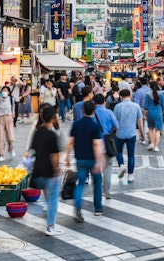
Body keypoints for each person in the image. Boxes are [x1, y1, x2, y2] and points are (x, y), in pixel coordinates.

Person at [65, 101, 104, 222]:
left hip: (80, 159)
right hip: (92, 159)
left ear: (82, 111)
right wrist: (98, 161)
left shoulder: (76, 124)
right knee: (97, 183)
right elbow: (96, 145)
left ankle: (77, 207)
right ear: (93, 111)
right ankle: (98, 208)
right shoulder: (95, 126)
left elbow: (70, 141)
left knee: (80, 184)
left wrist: (66, 156)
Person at [29, 105, 63, 236]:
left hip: (38, 170)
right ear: (54, 117)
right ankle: (51, 226)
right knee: (53, 198)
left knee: (48, 197)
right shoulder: (52, 135)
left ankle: (49, 219)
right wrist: (56, 170)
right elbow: (54, 155)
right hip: (49, 171)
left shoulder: (37, 132)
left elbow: (35, 150)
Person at [113, 89, 144, 184]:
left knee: (118, 151)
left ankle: (121, 165)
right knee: (131, 155)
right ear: (130, 96)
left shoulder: (117, 107)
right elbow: (140, 121)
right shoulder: (136, 106)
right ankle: (130, 175)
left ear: (121, 96)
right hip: (131, 133)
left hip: (120, 133)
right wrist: (142, 134)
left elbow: (115, 121)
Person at [93, 93, 119, 199]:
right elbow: (116, 126)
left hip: (94, 144)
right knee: (108, 166)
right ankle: (107, 191)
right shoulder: (109, 112)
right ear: (104, 102)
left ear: (94, 103)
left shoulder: (92, 113)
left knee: (96, 167)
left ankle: (97, 190)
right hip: (107, 143)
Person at [0, 84, 17, 161]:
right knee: (0, 138)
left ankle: (11, 148)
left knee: (10, 137)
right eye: (3, 90)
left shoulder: (11, 99)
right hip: (0, 118)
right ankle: (1, 155)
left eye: (6, 91)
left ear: (8, 92)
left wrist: (13, 114)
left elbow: (13, 107)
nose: (4, 92)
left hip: (9, 118)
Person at [144, 82, 164, 151]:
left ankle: (151, 143)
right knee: (158, 130)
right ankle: (156, 146)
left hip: (150, 113)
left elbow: (145, 106)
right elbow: (163, 105)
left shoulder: (147, 95)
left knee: (151, 129)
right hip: (158, 112)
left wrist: (144, 115)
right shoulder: (161, 94)